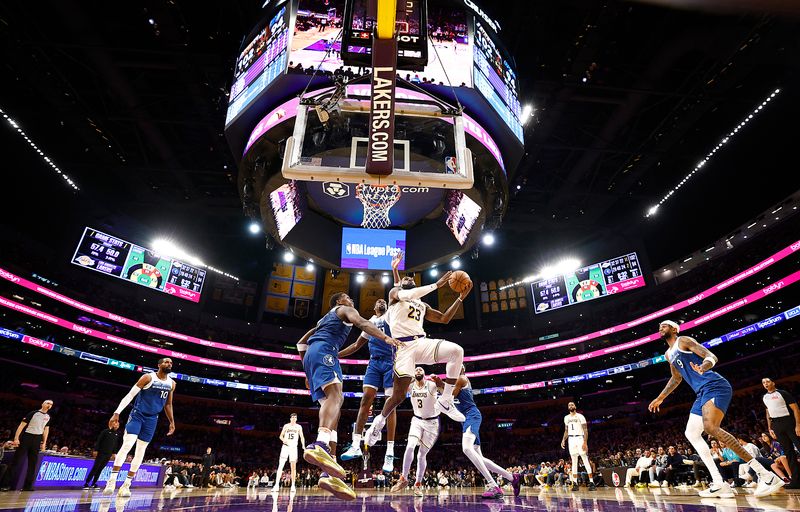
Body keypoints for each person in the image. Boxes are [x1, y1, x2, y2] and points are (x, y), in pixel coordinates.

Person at [648, 320, 783, 498]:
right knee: (692, 433)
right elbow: (676, 378)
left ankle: (766, 475)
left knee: (711, 428)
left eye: (664, 325)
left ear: (674, 329)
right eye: (659, 327)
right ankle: (719, 483)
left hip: (715, 385)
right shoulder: (668, 354)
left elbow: (711, 356)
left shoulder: (684, 341)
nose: (660, 328)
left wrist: (703, 366)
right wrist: (660, 397)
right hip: (702, 392)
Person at [298, 292, 400, 501]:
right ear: (338, 302)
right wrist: (385, 337)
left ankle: (329, 473)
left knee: (330, 407)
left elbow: (301, 344)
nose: (351, 300)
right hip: (325, 351)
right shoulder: (344, 310)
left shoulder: (321, 322)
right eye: (347, 297)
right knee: (336, 397)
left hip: (313, 356)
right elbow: (362, 323)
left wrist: (307, 371)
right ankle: (320, 443)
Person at [365, 252, 471, 448]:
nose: (408, 277)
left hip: (421, 342)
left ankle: (446, 400)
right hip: (403, 348)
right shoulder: (394, 296)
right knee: (398, 396)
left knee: (457, 351)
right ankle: (377, 425)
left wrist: (461, 298)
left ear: (414, 284)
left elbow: (444, 319)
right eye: (404, 277)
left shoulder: (421, 304)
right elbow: (405, 292)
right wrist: (436, 285)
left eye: (410, 278)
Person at [434, 367, 520, 499]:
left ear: (462, 368)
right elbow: (447, 391)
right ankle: (512, 477)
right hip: (466, 419)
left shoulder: (461, 379)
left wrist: (440, 386)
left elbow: (449, 396)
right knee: (481, 459)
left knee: (467, 449)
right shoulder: (456, 382)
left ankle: (494, 485)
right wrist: (439, 382)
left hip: (471, 415)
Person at [339, 298, 398, 472]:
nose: (380, 301)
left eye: (383, 300)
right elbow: (357, 345)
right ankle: (356, 443)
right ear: (373, 307)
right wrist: (337, 355)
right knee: (365, 400)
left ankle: (389, 452)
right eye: (377, 301)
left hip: (391, 362)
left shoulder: (391, 316)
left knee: (391, 406)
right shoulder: (369, 322)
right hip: (374, 363)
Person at [103, 358, 176, 497]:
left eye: (171, 363)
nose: (169, 364)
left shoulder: (172, 383)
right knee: (128, 444)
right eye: (166, 362)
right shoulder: (148, 377)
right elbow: (130, 395)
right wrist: (117, 412)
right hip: (138, 415)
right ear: (159, 364)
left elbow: (168, 405)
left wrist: (172, 422)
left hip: (152, 419)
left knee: (141, 451)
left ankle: (126, 485)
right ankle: (112, 481)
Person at [390, 367, 440, 496]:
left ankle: (418, 484)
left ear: (424, 374)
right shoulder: (410, 386)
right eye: (416, 370)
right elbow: (397, 385)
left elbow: (446, 391)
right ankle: (403, 478)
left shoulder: (432, 385)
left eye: (420, 369)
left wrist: (439, 382)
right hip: (417, 420)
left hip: (432, 423)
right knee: (410, 446)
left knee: (421, 455)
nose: (418, 371)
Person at [3, 400, 53, 491]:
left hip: (37, 439)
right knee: (16, 461)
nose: (49, 405)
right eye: (47, 403)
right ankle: (5, 484)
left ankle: (28, 486)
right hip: (27, 436)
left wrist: (44, 443)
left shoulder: (48, 417)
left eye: (51, 404)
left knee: (32, 464)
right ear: (42, 404)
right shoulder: (33, 413)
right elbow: (21, 426)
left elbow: (46, 430)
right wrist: (16, 438)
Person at [762, 377, 800, 489]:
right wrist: (770, 428)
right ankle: (796, 481)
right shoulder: (764, 397)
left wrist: (798, 425)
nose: (765, 384)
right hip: (776, 424)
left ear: (773, 383)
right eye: (763, 383)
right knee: (788, 452)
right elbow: (768, 413)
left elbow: (796, 409)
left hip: (789, 422)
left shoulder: (782, 393)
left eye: (767, 381)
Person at [560, 402, 596, 491]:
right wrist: (563, 440)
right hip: (571, 440)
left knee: (585, 459)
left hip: (580, 438)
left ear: (575, 407)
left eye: (572, 405)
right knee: (574, 461)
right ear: (568, 408)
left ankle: (592, 482)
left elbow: (585, 430)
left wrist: (585, 442)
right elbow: (566, 430)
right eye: (569, 405)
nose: (571, 406)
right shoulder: (566, 418)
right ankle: (575, 483)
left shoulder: (580, 416)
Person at [83, 417, 123, 489]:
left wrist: (114, 453)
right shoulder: (105, 431)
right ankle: (87, 483)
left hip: (108, 454)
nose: (116, 426)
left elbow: (115, 445)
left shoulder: (117, 434)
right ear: (112, 424)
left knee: (100, 469)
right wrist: (96, 450)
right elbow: (99, 441)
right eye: (115, 424)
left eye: (117, 425)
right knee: (95, 468)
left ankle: (94, 483)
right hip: (101, 453)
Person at [273, 413, 305, 492]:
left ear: (296, 419)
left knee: (293, 467)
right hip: (285, 447)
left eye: (295, 417)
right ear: (290, 418)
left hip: (294, 448)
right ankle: (276, 485)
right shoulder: (286, 426)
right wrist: (284, 440)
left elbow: (302, 437)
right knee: (281, 466)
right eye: (292, 417)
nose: (294, 418)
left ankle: (293, 485)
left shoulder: (299, 427)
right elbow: (280, 436)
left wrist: (303, 446)